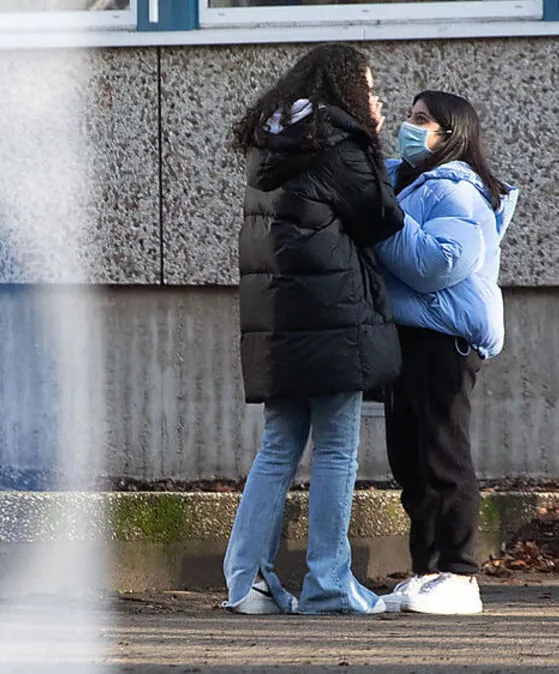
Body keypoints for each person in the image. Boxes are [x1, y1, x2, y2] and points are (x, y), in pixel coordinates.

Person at [224, 43, 406, 615]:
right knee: (336, 450)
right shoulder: (337, 143)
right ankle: (329, 583)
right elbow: (382, 217)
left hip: (279, 319)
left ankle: (246, 583)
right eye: (370, 90)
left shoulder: (272, 142)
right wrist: (371, 141)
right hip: (333, 317)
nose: (376, 101)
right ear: (345, 89)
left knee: (278, 447)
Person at [374, 91, 518, 615]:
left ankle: (460, 574)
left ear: (449, 134)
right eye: (409, 117)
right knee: (409, 460)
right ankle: (427, 571)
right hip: (410, 337)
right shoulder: (411, 182)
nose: (408, 128)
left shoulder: (457, 189)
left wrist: (382, 223)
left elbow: (440, 263)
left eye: (420, 120)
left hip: (444, 341)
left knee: (443, 455)